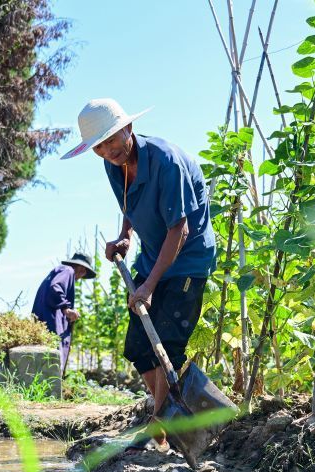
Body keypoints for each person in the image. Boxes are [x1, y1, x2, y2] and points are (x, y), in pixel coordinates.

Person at [62, 98, 216, 445]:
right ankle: (167, 412)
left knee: (168, 341)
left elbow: (181, 230)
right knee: (137, 346)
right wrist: (124, 235)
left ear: (128, 128)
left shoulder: (166, 162)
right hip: (152, 260)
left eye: (112, 139)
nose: (107, 150)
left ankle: (159, 425)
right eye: (98, 146)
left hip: (187, 260)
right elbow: (128, 203)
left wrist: (148, 285)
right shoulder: (112, 166)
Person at [31, 252, 96, 374]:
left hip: (44, 321)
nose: (81, 276)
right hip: (50, 322)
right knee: (51, 363)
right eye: (83, 273)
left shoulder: (60, 271)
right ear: (82, 269)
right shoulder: (68, 271)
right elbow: (55, 287)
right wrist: (66, 309)